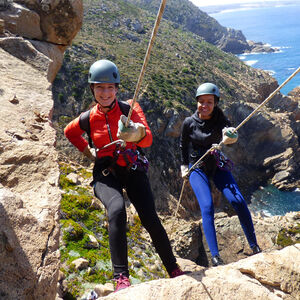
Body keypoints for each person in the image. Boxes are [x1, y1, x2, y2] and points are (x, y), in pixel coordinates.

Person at [64, 59, 184, 292]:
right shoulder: (89, 118)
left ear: (117, 88)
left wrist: (136, 133)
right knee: (117, 209)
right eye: (100, 87)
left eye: (110, 87)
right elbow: (70, 132)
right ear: (93, 89)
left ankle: (173, 268)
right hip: (105, 173)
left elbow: (148, 139)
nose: (106, 92)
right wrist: (89, 153)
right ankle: (121, 277)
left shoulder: (130, 109)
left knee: (149, 218)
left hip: (131, 168)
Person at [179, 82, 261, 267]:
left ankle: (254, 245)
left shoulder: (221, 119)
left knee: (238, 200)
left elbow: (228, 132)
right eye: (201, 102)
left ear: (215, 103)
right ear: (197, 102)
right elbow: (183, 146)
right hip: (197, 166)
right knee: (207, 206)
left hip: (216, 163)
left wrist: (229, 135)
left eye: (209, 102)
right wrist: (184, 166)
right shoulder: (189, 123)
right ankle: (215, 258)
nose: (204, 105)